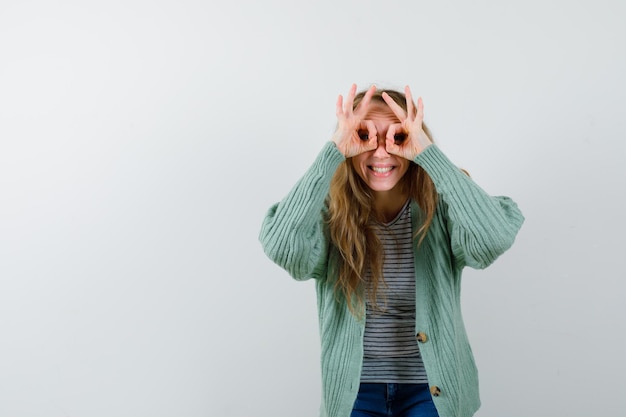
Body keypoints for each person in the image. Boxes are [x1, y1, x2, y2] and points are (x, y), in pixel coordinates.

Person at [259, 84, 524, 417]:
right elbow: (283, 247)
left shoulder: (442, 203)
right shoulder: (330, 211)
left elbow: (493, 238)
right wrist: (333, 152)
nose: (381, 152)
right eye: (364, 136)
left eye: (397, 138)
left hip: (431, 389)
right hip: (354, 392)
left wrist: (430, 156)